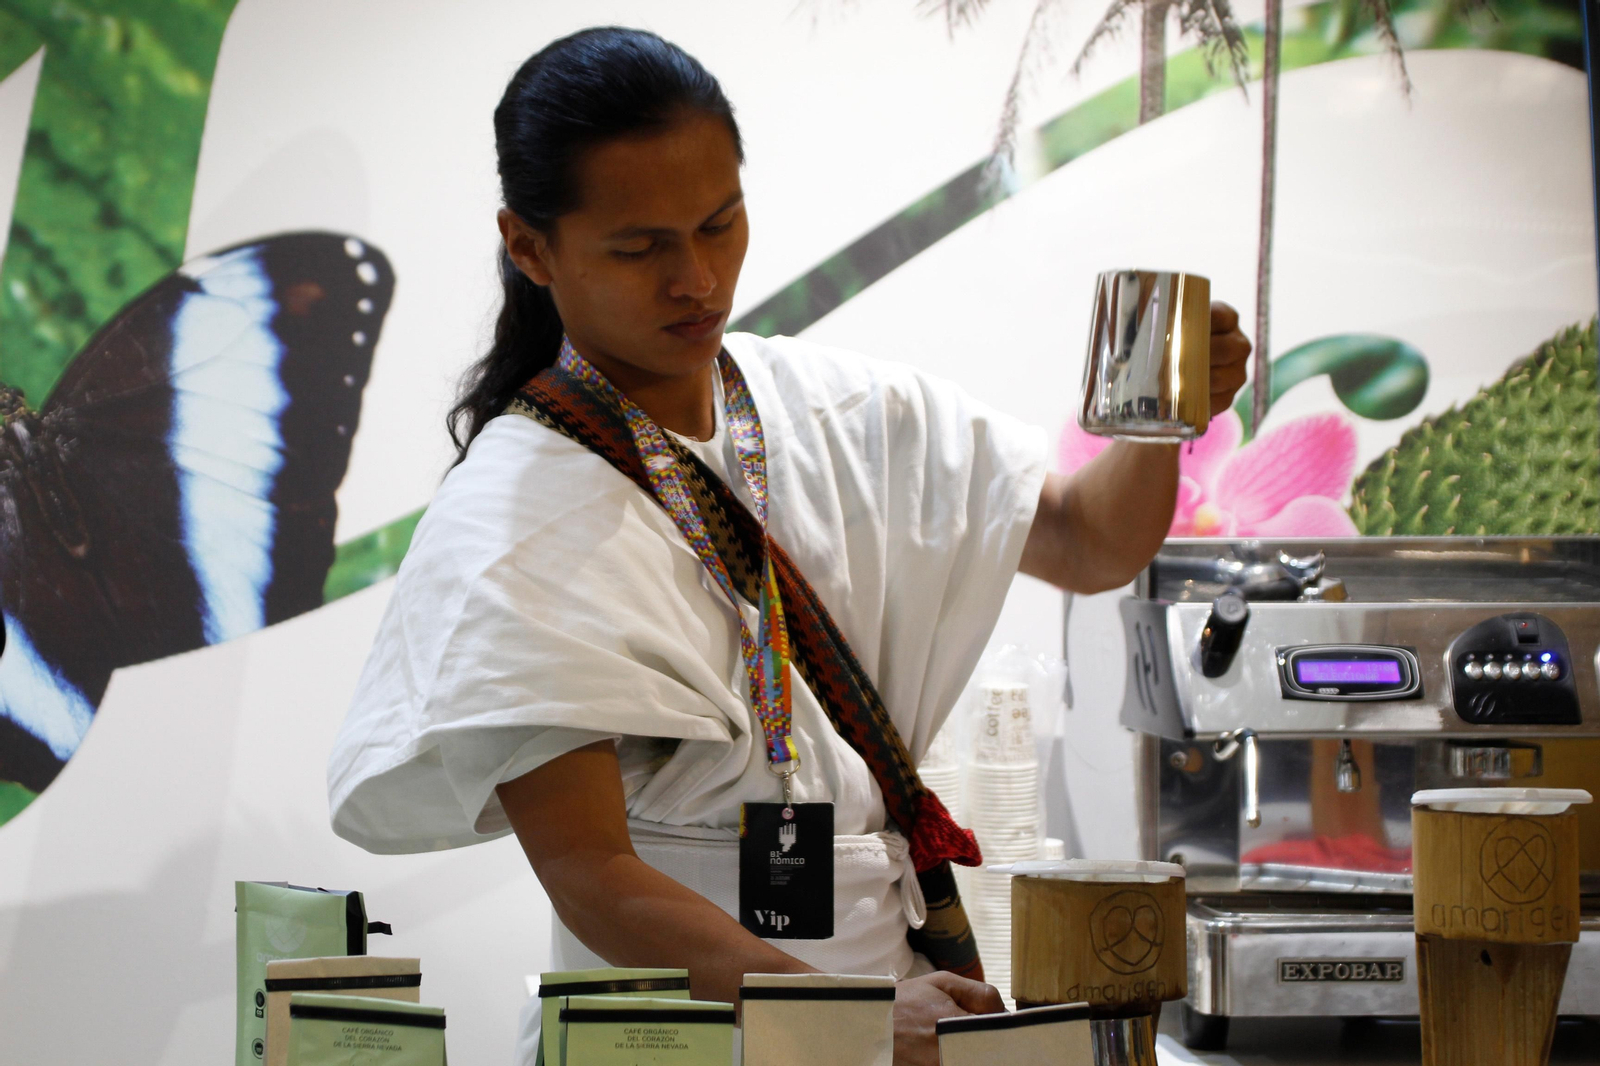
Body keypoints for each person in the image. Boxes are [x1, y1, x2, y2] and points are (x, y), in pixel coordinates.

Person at [327, 26, 1250, 1066]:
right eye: (640, 248)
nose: (696, 278)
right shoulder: (515, 512)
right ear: (530, 246)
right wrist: (848, 1014)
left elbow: (1087, 541)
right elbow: (594, 875)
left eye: (720, 225)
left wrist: (1160, 419)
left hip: (887, 1006)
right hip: (667, 1033)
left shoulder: (841, 408)